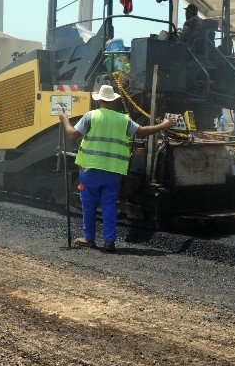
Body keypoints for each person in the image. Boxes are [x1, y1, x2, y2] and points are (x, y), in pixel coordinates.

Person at [60, 84, 174, 252]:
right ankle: (109, 242)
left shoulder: (91, 116)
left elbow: (72, 134)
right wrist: (165, 125)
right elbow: (142, 131)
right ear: (113, 102)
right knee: (109, 205)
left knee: (89, 204)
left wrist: (64, 119)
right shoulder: (124, 119)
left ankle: (89, 239)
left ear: (98, 100)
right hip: (114, 171)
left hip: (91, 169)